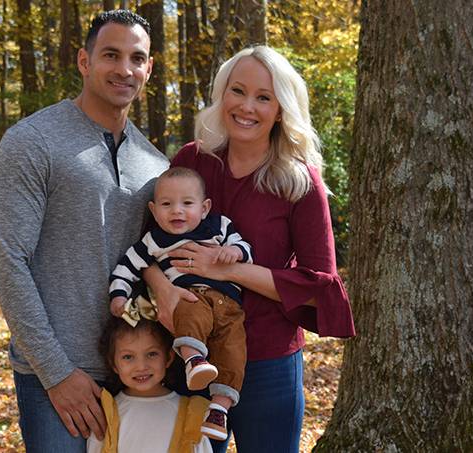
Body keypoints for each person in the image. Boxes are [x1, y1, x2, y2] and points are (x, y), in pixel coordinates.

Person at [144, 45, 356, 452]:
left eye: (263, 97)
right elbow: (145, 245)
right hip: (194, 355)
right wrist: (162, 287)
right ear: (222, 94)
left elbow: (318, 285)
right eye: (237, 91)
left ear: (281, 109)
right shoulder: (193, 161)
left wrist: (227, 269)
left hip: (269, 359)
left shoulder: (299, 182)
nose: (247, 106)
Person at [0, 10, 169, 452]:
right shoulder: (33, 141)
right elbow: (8, 260)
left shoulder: (156, 165)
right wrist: (56, 372)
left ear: (149, 69)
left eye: (136, 58)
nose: (124, 69)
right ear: (84, 62)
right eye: (111, 54)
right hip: (59, 377)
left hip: (141, 371)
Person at [108, 167, 252, 440]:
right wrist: (118, 296)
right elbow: (126, 267)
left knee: (233, 351)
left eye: (187, 203)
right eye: (166, 204)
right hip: (189, 296)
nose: (177, 211)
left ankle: (219, 409)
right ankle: (193, 359)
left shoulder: (219, 226)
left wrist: (233, 251)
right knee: (190, 314)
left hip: (229, 307)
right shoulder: (153, 241)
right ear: (153, 209)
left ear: (205, 206)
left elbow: (244, 247)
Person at [87, 317, 213, 453]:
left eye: (152, 354)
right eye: (128, 357)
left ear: (168, 357)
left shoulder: (191, 414)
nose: (141, 366)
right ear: (114, 365)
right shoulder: (106, 414)